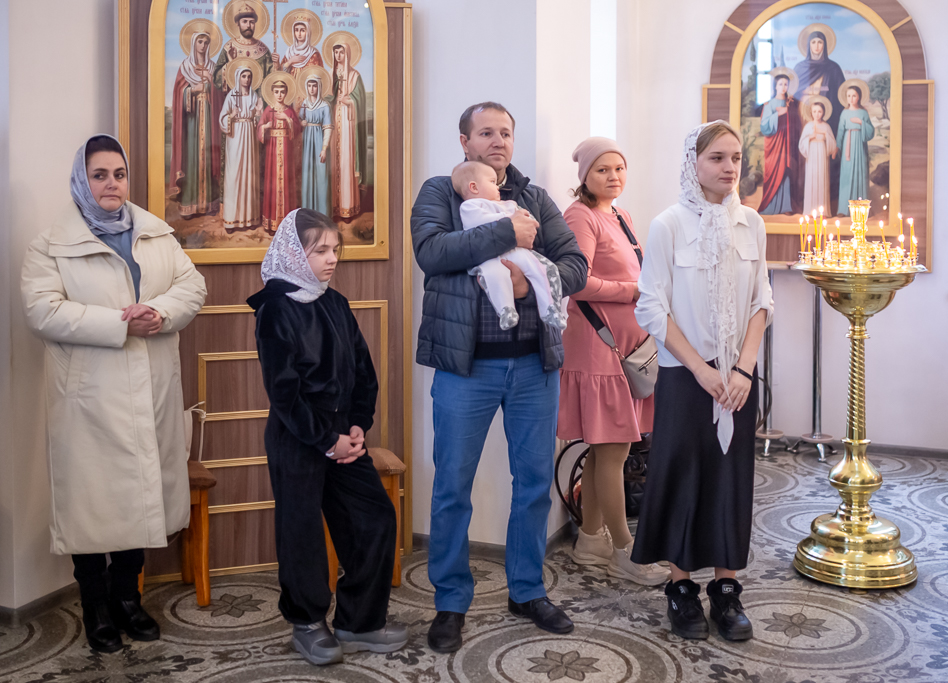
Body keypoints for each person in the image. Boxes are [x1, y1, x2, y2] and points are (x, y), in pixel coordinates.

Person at [411, 101, 587, 653]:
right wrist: (507, 232)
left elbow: (575, 264)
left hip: (534, 365)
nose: (498, 141)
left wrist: (531, 284)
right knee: (452, 486)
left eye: (505, 133)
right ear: (464, 141)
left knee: (533, 484)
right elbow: (432, 252)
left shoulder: (536, 198)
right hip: (466, 368)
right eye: (486, 132)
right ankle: (450, 601)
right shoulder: (441, 192)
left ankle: (527, 590)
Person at [21, 135, 207, 653]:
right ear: (82, 180)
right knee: (92, 505)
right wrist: (120, 324)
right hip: (89, 400)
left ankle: (128, 599)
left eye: (119, 174)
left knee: (139, 498)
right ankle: (96, 606)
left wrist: (159, 312)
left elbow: (193, 286)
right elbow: (42, 311)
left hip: (151, 390)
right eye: (99, 174)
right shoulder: (51, 245)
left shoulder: (155, 233)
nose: (111, 184)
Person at [247, 208, 408, 666]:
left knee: (374, 518)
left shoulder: (334, 301)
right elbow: (284, 393)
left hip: (343, 437)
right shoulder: (276, 308)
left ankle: (360, 621)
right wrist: (326, 440)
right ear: (295, 254)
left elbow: (362, 370)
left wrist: (357, 425)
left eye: (335, 249)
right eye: (320, 251)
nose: (331, 259)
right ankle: (307, 622)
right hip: (298, 438)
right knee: (301, 532)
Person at [631, 121, 772, 643]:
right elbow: (652, 307)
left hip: (737, 377)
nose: (730, 167)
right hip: (687, 375)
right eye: (717, 158)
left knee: (730, 477)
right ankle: (682, 588)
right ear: (694, 163)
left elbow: (762, 300)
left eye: (735, 157)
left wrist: (744, 368)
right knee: (682, 475)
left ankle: (727, 592)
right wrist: (700, 368)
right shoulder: (668, 224)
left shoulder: (751, 223)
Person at [557, 137, 667, 586]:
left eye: (619, 168)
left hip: (626, 348)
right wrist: (632, 292)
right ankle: (625, 551)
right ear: (585, 176)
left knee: (607, 449)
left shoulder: (620, 215)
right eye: (603, 170)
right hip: (597, 346)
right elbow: (576, 282)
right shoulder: (579, 216)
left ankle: (589, 540)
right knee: (614, 450)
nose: (614, 176)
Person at [452, 160, 565, 331]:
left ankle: (550, 308)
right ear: (474, 187)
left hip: (516, 251)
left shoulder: (508, 203)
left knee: (543, 269)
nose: (497, 186)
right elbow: (479, 223)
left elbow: (527, 220)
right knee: (495, 277)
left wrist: (527, 220)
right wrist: (511, 224)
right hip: (489, 257)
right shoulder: (470, 206)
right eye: (492, 182)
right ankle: (506, 310)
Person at [170, 30, 223, 219]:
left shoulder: (213, 67)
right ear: (193, 43)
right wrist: (192, 90)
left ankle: (208, 204)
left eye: (206, 42)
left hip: (208, 118)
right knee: (192, 158)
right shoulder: (185, 67)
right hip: (191, 121)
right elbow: (178, 93)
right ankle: (190, 205)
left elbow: (221, 95)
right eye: (200, 41)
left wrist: (211, 81)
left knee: (208, 157)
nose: (203, 45)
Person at [220, 61, 264, 232]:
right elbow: (222, 118)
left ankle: (249, 219)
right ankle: (232, 220)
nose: (247, 79)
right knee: (234, 175)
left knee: (249, 175)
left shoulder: (254, 96)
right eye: (244, 76)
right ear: (238, 77)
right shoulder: (231, 96)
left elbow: (259, 121)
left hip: (250, 138)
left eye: (249, 76)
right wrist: (231, 116)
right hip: (235, 137)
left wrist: (258, 114)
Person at [259, 76, 301, 233]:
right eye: (276, 92)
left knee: (287, 182)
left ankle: (286, 224)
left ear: (286, 93)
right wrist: (265, 127)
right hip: (272, 150)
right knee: (272, 182)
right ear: (272, 93)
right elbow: (260, 127)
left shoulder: (289, 111)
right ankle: (272, 223)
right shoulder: (268, 110)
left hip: (286, 152)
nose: (279, 95)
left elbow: (297, 129)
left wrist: (287, 119)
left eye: (282, 92)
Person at [330, 41, 366, 221]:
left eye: (341, 52)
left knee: (346, 160)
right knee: (334, 161)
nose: (338, 55)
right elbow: (328, 95)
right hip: (333, 120)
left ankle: (347, 206)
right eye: (336, 52)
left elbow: (360, 100)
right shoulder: (331, 74)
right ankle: (333, 207)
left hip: (348, 122)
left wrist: (350, 100)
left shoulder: (354, 75)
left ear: (348, 54)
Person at [758, 74, 802, 215]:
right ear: (775, 86)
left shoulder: (792, 103)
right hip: (775, 143)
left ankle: (786, 206)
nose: (783, 87)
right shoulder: (769, 104)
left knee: (786, 170)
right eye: (780, 84)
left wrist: (788, 112)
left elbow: (796, 123)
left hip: (788, 142)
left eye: (786, 84)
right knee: (774, 171)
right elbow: (764, 126)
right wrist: (778, 114)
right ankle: (770, 205)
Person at [214, 2, 277, 94]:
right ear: (237, 23)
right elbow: (216, 78)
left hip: (258, 99)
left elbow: (271, 78)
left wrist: (276, 65)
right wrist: (230, 64)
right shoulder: (229, 47)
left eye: (251, 22)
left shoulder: (263, 49)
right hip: (235, 98)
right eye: (245, 21)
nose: (248, 25)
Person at [792, 30, 845, 135]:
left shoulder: (833, 68)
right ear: (809, 45)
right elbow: (792, 93)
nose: (816, 46)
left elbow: (841, 95)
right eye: (813, 42)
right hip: (802, 111)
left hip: (824, 111)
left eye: (820, 42)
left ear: (824, 45)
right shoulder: (800, 68)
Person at [836, 85, 875, 214]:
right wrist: (837, 147)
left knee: (860, 173)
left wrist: (860, 122)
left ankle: (860, 210)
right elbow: (840, 131)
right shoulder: (844, 113)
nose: (851, 98)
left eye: (854, 96)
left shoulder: (863, 113)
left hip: (859, 144)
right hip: (848, 144)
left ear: (859, 97)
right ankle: (844, 209)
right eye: (849, 96)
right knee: (846, 175)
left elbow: (871, 131)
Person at [299, 73, 333, 216]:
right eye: (309, 85)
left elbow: (328, 127)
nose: (312, 89)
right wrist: (301, 123)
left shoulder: (325, 106)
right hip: (307, 144)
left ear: (319, 87)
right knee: (308, 175)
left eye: (314, 86)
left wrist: (324, 148)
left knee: (321, 176)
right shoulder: (304, 104)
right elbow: (299, 121)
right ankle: (308, 214)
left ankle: (322, 214)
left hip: (319, 142)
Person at [799, 100, 838, 217]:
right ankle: (810, 210)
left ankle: (822, 211)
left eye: (819, 111)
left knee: (822, 179)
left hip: (822, 152)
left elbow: (833, 144)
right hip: (811, 154)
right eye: (814, 111)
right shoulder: (808, 126)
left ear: (823, 112)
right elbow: (801, 144)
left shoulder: (826, 126)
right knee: (812, 179)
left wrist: (825, 135)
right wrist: (811, 137)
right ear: (811, 112)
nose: (817, 114)